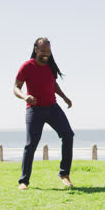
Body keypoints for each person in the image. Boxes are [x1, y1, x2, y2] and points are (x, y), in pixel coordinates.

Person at [13, 37, 75, 190]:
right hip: (34, 110)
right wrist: (25, 96)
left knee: (68, 135)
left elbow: (52, 84)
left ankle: (64, 173)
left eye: (48, 51)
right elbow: (16, 88)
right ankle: (24, 181)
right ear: (36, 49)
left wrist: (65, 97)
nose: (46, 54)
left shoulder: (50, 66)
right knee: (31, 145)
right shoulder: (27, 66)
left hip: (52, 107)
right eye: (43, 51)